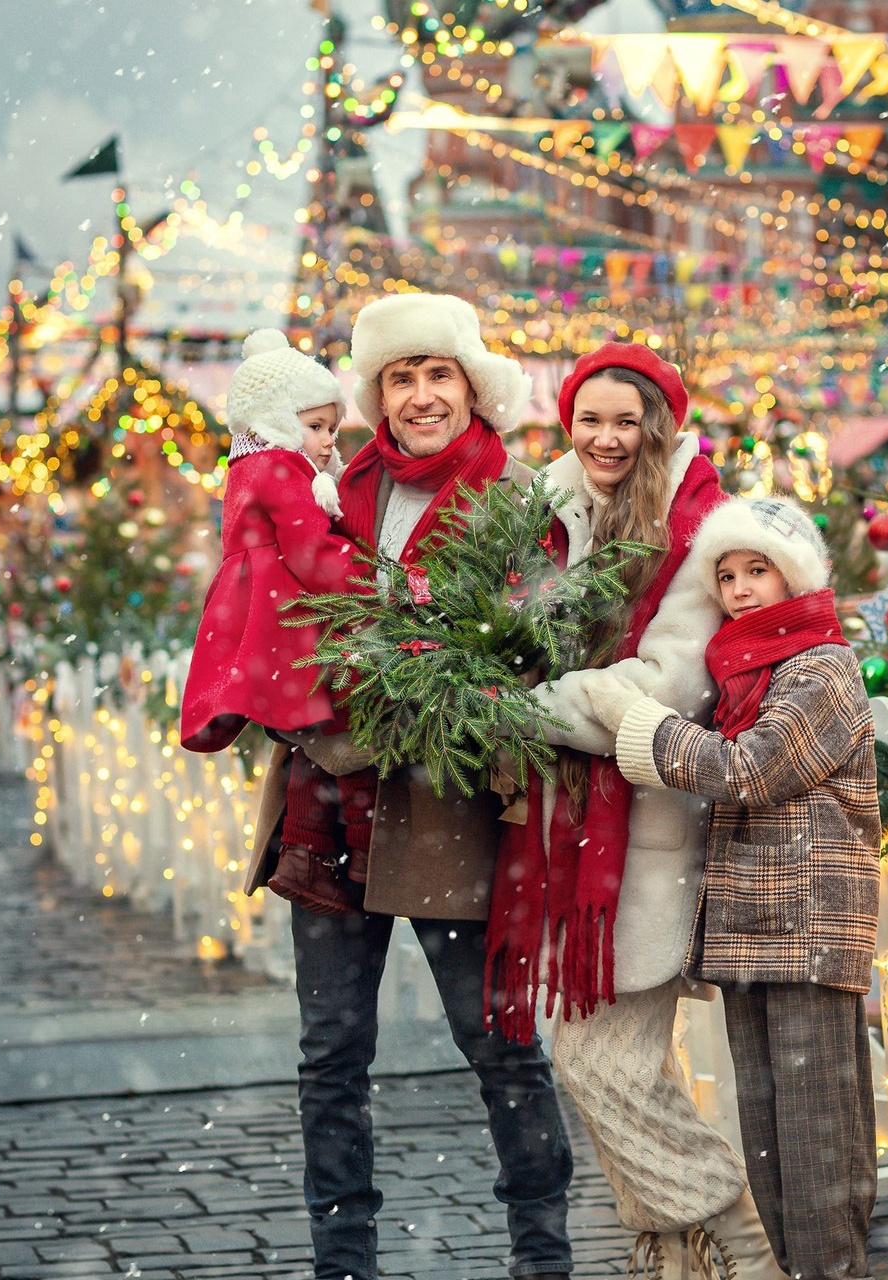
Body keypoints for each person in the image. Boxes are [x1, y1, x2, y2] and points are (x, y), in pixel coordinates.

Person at [242, 293, 574, 1280]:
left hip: (450, 803)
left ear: (470, 385)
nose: (422, 396)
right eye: (401, 377)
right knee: (331, 1050)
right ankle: (342, 1258)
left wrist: (463, 674)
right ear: (376, 394)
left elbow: (544, 642)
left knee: (498, 1041)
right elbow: (272, 608)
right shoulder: (330, 488)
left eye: (438, 374)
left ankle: (541, 1255)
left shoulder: (514, 497)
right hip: (328, 797)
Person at [485, 341, 779, 1280]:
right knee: (619, 1068)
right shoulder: (546, 509)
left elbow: (668, 689)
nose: (608, 439)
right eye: (591, 420)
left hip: (649, 830)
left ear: (661, 426)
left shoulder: (696, 528)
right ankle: (676, 1257)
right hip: (565, 827)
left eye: (627, 421)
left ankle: (741, 1238)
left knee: (597, 1066)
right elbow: (509, 632)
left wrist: (523, 705)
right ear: (567, 421)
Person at [584, 496, 882, 1280]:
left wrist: (642, 725)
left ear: (795, 575)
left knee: (819, 1137)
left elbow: (753, 769)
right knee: (769, 1133)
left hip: (807, 926)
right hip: (754, 929)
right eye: (727, 575)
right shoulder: (746, 669)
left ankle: (830, 1270)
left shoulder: (821, 668)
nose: (742, 589)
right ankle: (786, 1266)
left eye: (759, 570)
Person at [180, 328, 368, 912]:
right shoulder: (283, 467)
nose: (328, 440)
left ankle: (314, 851)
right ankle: (354, 844)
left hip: (253, 602)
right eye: (315, 426)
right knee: (336, 709)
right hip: (283, 607)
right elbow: (312, 553)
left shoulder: (245, 465)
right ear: (277, 420)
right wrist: (374, 577)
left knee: (302, 724)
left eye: (332, 428)